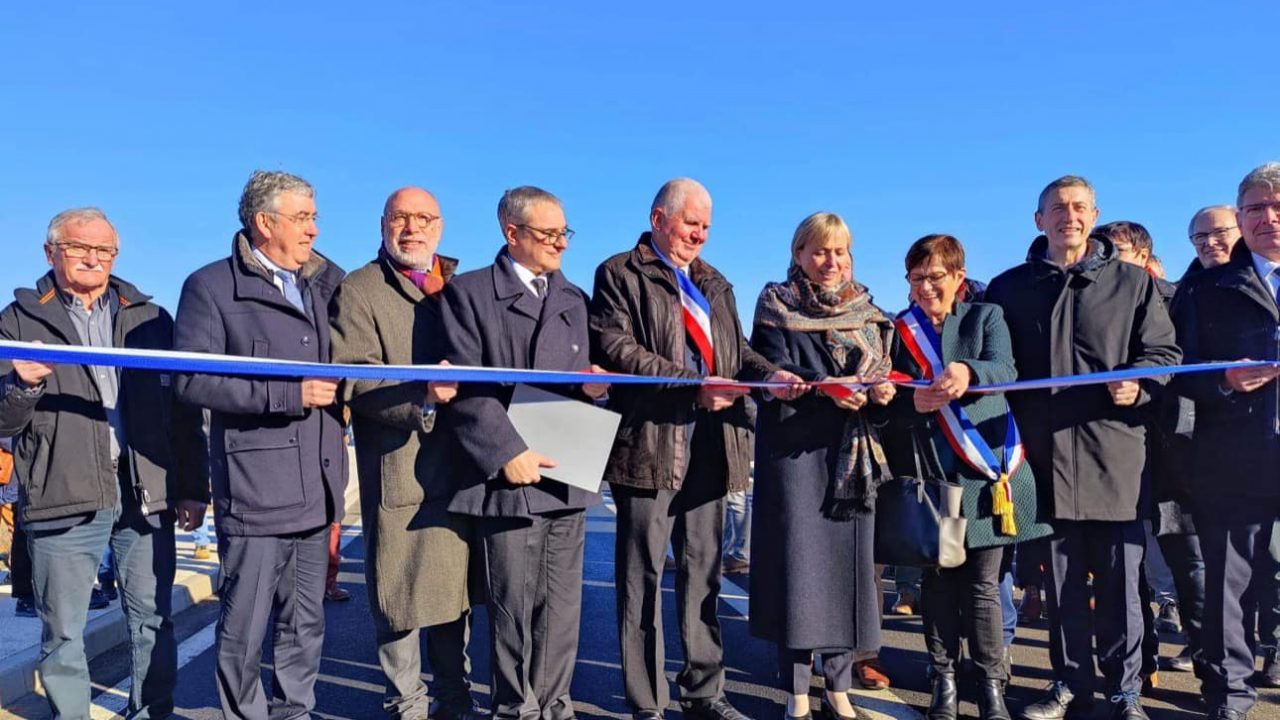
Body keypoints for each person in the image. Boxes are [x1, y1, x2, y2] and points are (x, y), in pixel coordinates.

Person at [590, 178, 803, 720]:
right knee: (640, 577)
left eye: (707, 226)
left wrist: (770, 374)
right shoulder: (620, 273)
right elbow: (617, 348)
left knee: (703, 572)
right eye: (691, 223)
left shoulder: (716, 282)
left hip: (713, 443)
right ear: (659, 217)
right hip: (650, 444)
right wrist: (691, 385)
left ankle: (705, 692)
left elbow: (737, 354)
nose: (699, 235)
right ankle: (647, 701)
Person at [0, 207, 208, 719]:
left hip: (144, 494)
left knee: (153, 619)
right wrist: (22, 386)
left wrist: (192, 487)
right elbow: (3, 423)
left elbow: (183, 413)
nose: (93, 259)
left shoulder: (151, 318)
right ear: (51, 251)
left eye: (104, 250)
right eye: (79, 248)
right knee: (63, 631)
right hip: (62, 494)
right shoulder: (18, 320)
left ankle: (152, 711)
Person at [985, 176, 1180, 720]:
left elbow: (1165, 352)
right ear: (1038, 220)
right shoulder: (1008, 288)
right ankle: (1068, 684)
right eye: (1056, 209)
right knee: (1062, 587)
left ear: (1093, 216)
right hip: (1041, 461)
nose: (1067, 217)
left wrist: (1140, 383)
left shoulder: (1132, 283)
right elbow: (994, 363)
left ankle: (1125, 692)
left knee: (1121, 591)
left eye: (1078, 208)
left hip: (1114, 458)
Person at [173, 170, 347, 720]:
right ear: (263, 222)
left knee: (306, 623)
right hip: (255, 491)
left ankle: (295, 711)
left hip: (318, 486)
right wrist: (287, 394)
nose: (314, 230)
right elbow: (191, 381)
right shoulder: (210, 286)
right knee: (244, 626)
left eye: (314, 217)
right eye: (302, 218)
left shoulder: (327, 282)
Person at [441, 186, 608, 720]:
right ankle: (515, 708)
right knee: (513, 608)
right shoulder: (467, 294)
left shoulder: (574, 300)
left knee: (561, 608)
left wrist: (597, 389)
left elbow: (581, 378)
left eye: (565, 232)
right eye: (548, 233)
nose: (561, 243)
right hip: (508, 474)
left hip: (566, 468)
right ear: (511, 233)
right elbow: (465, 384)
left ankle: (556, 706)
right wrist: (505, 451)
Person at [329, 186, 483, 720]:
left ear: (440, 226)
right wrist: (422, 394)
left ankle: (454, 699)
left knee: (454, 597)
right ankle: (406, 705)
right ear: (382, 224)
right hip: (399, 466)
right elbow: (354, 378)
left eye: (423, 218)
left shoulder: (459, 288)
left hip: (461, 467)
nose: (411, 228)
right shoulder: (360, 289)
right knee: (397, 599)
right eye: (400, 218)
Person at [886, 233, 1053, 720]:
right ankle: (944, 678)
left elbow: (1004, 368)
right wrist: (908, 403)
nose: (926, 288)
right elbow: (890, 394)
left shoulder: (986, 316)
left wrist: (966, 373)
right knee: (939, 581)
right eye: (917, 279)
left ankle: (991, 682)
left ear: (958, 277)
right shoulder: (901, 330)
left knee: (983, 586)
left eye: (936, 277)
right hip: (935, 475)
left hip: (988, 473)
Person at [747, 212, 895, 720]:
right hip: (796, 457)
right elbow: (765, 367)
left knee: (846, 576)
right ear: (799, 255)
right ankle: (797, 690)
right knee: (798, 574)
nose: (831, 262)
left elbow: (881, 374)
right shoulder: (775, 305)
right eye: (820, 252)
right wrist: (822, 385)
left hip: (851, 461)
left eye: (840, 252)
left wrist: (881, 390)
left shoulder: (870, 313)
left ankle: (838, 685)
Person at [1172, 162, 1280, 719]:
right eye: (1257, 208)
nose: (1269, 218)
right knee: (1227, 586)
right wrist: (1222, 380)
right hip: (1235, 454)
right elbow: (1178, 368)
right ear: (1241, 217)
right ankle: (1231, 694)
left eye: (1278, 207)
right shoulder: (1206, 287)